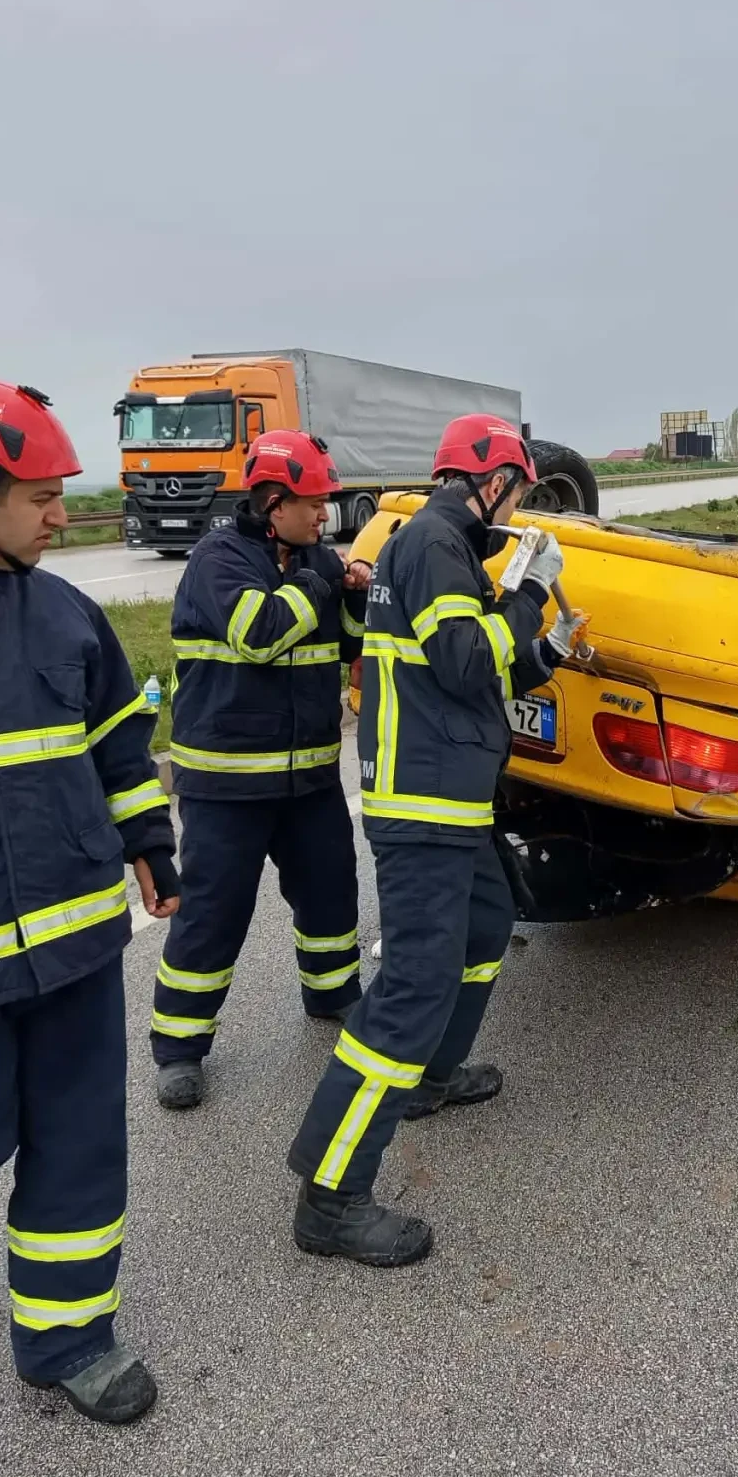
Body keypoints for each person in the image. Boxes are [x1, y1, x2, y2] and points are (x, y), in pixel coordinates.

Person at [0, 381, 178, 1425]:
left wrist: (148, 842)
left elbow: (118, 742)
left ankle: (69, 1340)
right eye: (42, 498)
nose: (65, 516)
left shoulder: (64, 613)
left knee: (79, 1147)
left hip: (73, 942)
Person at [288, 414, 584, 1266]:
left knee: (487, 927)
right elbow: (463, 659)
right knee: (412, 988)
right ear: (491, 482)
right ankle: (331, 1195)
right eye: (518, 492)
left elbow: (487, 662)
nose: (518, 507)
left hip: (452, 797)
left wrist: (549, 643)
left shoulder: (446, 549)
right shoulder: (432, 543)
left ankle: (431, 1076)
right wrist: (528, 593)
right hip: (423, 807)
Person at [151, 429, 369, 1111]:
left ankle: (332, 993)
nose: (325, 515)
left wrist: (354, 596)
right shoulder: (218, 561)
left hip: (307, 780)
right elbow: (261, 633)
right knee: (214, 913)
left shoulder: (313, 559)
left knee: (332, 892)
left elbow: (346, 646)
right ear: (274, 502)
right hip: (227, 786)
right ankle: (180, 1046)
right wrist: (323, 577)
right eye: (314, 503)